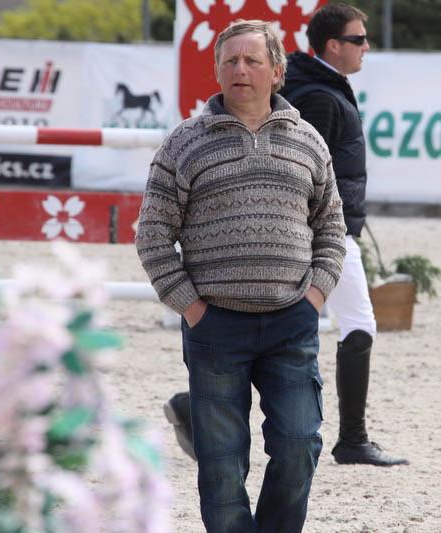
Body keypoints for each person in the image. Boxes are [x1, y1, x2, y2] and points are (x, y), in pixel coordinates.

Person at [164, 2, 408, 468]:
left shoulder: (321, 87)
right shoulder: (319, 97)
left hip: (326, 229)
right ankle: (352, 439)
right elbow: (304, 174)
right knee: (357, 325)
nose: (366, 47)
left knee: (320, 331)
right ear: (333, 45)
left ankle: (195, 407)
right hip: (321, 235)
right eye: (358, 39)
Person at [136, 20, 346, 533]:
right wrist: (192, 309)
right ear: (216, 71)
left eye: (252, 60)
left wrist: (315, 297)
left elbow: (331, 228)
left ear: (277, 71)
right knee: (222, 466)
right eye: (230, 61)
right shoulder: (184, 143)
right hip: (215, 328)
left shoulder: (308, 141)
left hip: (292, 324)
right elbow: (153, 236)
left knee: (299, 446)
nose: (240, 70)